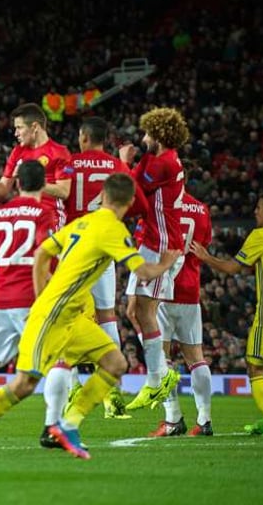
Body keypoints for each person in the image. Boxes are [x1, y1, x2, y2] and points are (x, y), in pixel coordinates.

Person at [0, 174, 181, 460]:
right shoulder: (113, 229)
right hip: (54, 313)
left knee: (115, 363)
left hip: (71, 315)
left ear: (103, 197)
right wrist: (166, 263)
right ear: (131, 201)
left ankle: (67, 425)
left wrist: (40, 291)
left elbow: (43, 253)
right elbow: (142, 272)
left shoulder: (82, 222)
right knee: (24, 384)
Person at [0, 161, 60, 447]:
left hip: (0, 300)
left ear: (17, 183)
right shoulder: (44, 213)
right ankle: (53, 426)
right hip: (31, 300)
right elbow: (46, 255)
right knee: (59, 363)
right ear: (43, 185)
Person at [63, 116, 149, 418]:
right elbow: (140, 205)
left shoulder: (69, 164)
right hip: (103, 249)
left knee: (66, 317)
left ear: (84, 137)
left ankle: (72, 387)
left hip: (73, 247)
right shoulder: (115, 166)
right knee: (107, 317)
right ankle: (112, 394)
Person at [191, 191, 263, 438]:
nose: (255, 212)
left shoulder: (262, 235)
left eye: (259, 208)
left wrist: (206, 257)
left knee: (255, 368)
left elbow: (233, 268)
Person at [118, 107, 189, 410]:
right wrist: (133, 163)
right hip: (151, 242)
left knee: (146, 313)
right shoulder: (158, 158)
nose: (143, 137)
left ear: (158, 135)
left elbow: (131, 193)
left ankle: (157, 379)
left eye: (147, 133)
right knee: (135, 310)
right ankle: (158, 375)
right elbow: (137, 179)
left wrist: (123, 162)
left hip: (162, 247)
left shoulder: (163, 163)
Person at [149, 191, 214, 437]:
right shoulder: (201, 209)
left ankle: (173, 418)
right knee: (196, 357)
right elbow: (202, 245)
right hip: (190, 290)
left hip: (163, 288)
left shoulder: (162, 205)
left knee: (160, 356)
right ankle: (205, 420)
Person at [0, 103, 72, 229]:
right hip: (25, 215)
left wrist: (32, 180)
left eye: (19, 128)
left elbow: (64, 192)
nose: (16, 133)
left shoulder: (60, 152)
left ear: (34, 126)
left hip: (51, 217)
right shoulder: (17, 151)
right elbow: (3, 189)